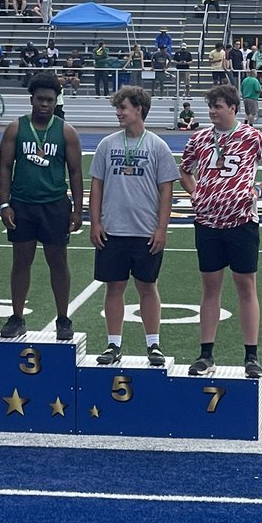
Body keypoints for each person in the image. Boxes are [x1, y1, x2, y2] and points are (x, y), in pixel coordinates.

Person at [179, 84, 262, 379]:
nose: (213, 111)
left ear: (233, 108)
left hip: (241, 221)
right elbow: (184, 169)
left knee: (245, 285)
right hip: (207, 222)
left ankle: (251, 356)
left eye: (218, 106)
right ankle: (206, 354)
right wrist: (195, 193)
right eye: (210, 106)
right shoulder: (199, 138)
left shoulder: (252, 137)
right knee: (210, 287)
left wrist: (258, 190)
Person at [90, 86, 179, 366]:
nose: (118, 113)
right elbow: (96, 185)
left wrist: (161, 228)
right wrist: (95, 222)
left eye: (123, 108)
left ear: (138, 109)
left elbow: (167, 191)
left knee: (147, 287)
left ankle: (153, 345)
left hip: (145, 232)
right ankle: (113, 345)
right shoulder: (107, 145)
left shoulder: (157, 146)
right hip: (113, 230)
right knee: (113, 288)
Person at [0, 72, 83, 342]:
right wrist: (4, 204)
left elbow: (76, 172)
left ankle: (63, 318)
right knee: (21, 261)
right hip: (23, 204)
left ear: (56, 101)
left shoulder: (66, 131)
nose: (44, 104)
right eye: (40, 99)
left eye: (49, 100)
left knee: (58, 262)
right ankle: (17, 316)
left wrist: (78, 210)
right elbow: (5, 167)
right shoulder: (16, 128)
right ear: (31, 99)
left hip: (54, 205)